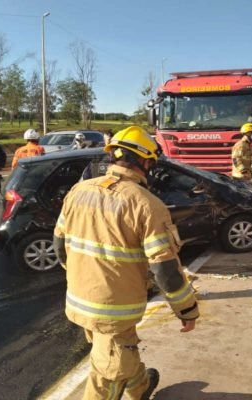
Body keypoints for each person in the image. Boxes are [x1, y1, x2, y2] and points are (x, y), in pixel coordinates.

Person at [53, 125, 199, 399]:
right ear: (145, 162)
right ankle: (130, 386)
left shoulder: (78, 191)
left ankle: (140, 387)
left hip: (78, 298)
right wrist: (186, 309)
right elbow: (165, 270)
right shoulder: (147, 205)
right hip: (115, 309)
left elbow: (60, 246)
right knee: (109, 370)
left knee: (112, 352)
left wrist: (84, 277)